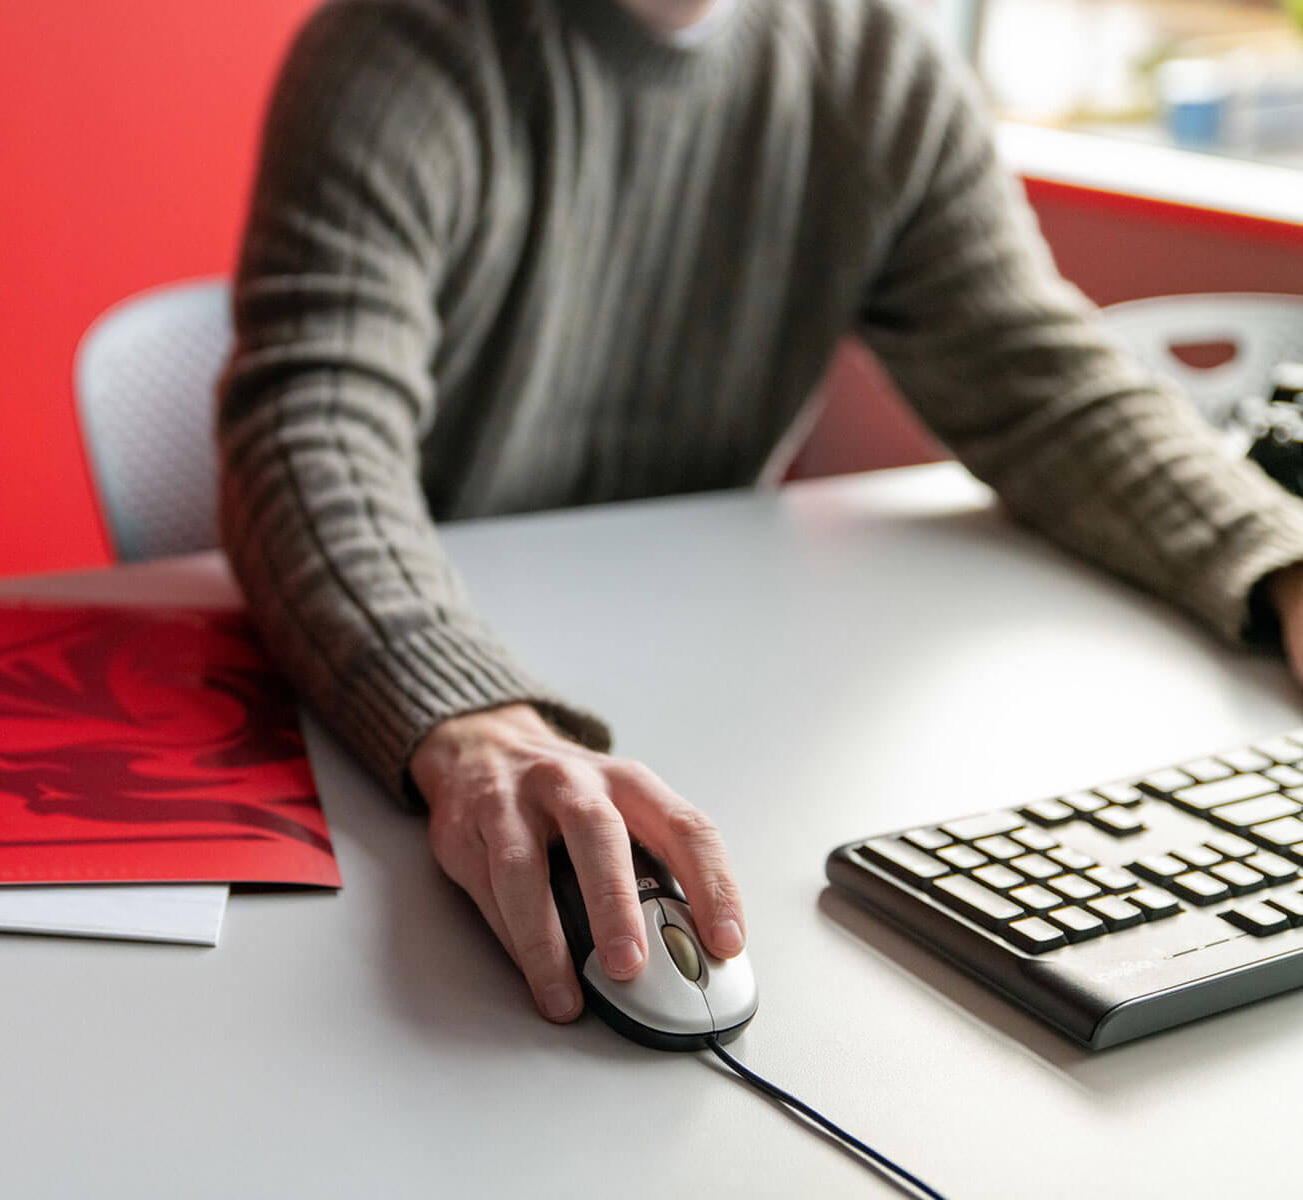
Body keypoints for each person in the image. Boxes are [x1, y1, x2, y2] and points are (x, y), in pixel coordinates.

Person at [216, 0, 1303, 1026]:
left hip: (711, 696)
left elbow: (1044, 386)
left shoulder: (877, 68)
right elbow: (312, 427)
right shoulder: (395, 54)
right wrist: (471, 724)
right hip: (410, 718)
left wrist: (1278, 558)